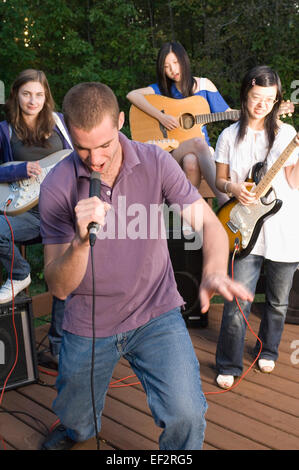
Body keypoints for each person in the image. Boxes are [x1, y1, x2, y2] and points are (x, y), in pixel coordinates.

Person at [39, 81, 253, 450]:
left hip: (155, 311)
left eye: (104, 145)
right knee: (76, 418)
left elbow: (209, 226)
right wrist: (78, 243)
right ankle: (76, 428)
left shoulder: (154, 161)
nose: (95, 160)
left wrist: (215, 268)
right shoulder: (57, 186)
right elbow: (58, 287)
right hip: (89, 319)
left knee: (186, 414)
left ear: (120, 122)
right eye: (83, 149)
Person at [214, 65, 299, 390]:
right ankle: (228, 362)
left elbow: (293, 182)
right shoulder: (227, 136)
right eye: (255, 98)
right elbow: (221, 182)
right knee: (237, 301)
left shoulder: (287, 135)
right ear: (245, 95)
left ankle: (269, 348)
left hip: (285, 230)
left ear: (277, 99)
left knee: (277, 302)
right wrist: (234, 189)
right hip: (244, 231)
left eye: (269, 99)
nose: (262, 105)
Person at [0, 69, 73, 361]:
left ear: (47, 97)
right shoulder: (5, 130)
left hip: (64, 213)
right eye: (27, 93)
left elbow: (79, 156)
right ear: (16, 95)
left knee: (63, 278)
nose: (33, 100)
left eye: (39, 95)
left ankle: (58, 349)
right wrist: (19, 169)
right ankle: (20, 274)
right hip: (29, 214)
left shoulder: (60, 124)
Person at [126, 41, 236, 208]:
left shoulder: (203, 86)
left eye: (175, 63)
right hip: (170, 153)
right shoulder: (161, 91)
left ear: (183, 60)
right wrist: (161, 117)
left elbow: (228, 113)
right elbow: (132, 95)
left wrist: (258, 112)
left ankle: (189, 216)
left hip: (199, 157)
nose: (173, 70)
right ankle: (223, 200)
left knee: (191, 161)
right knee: (198, 144)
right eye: (166, 66)